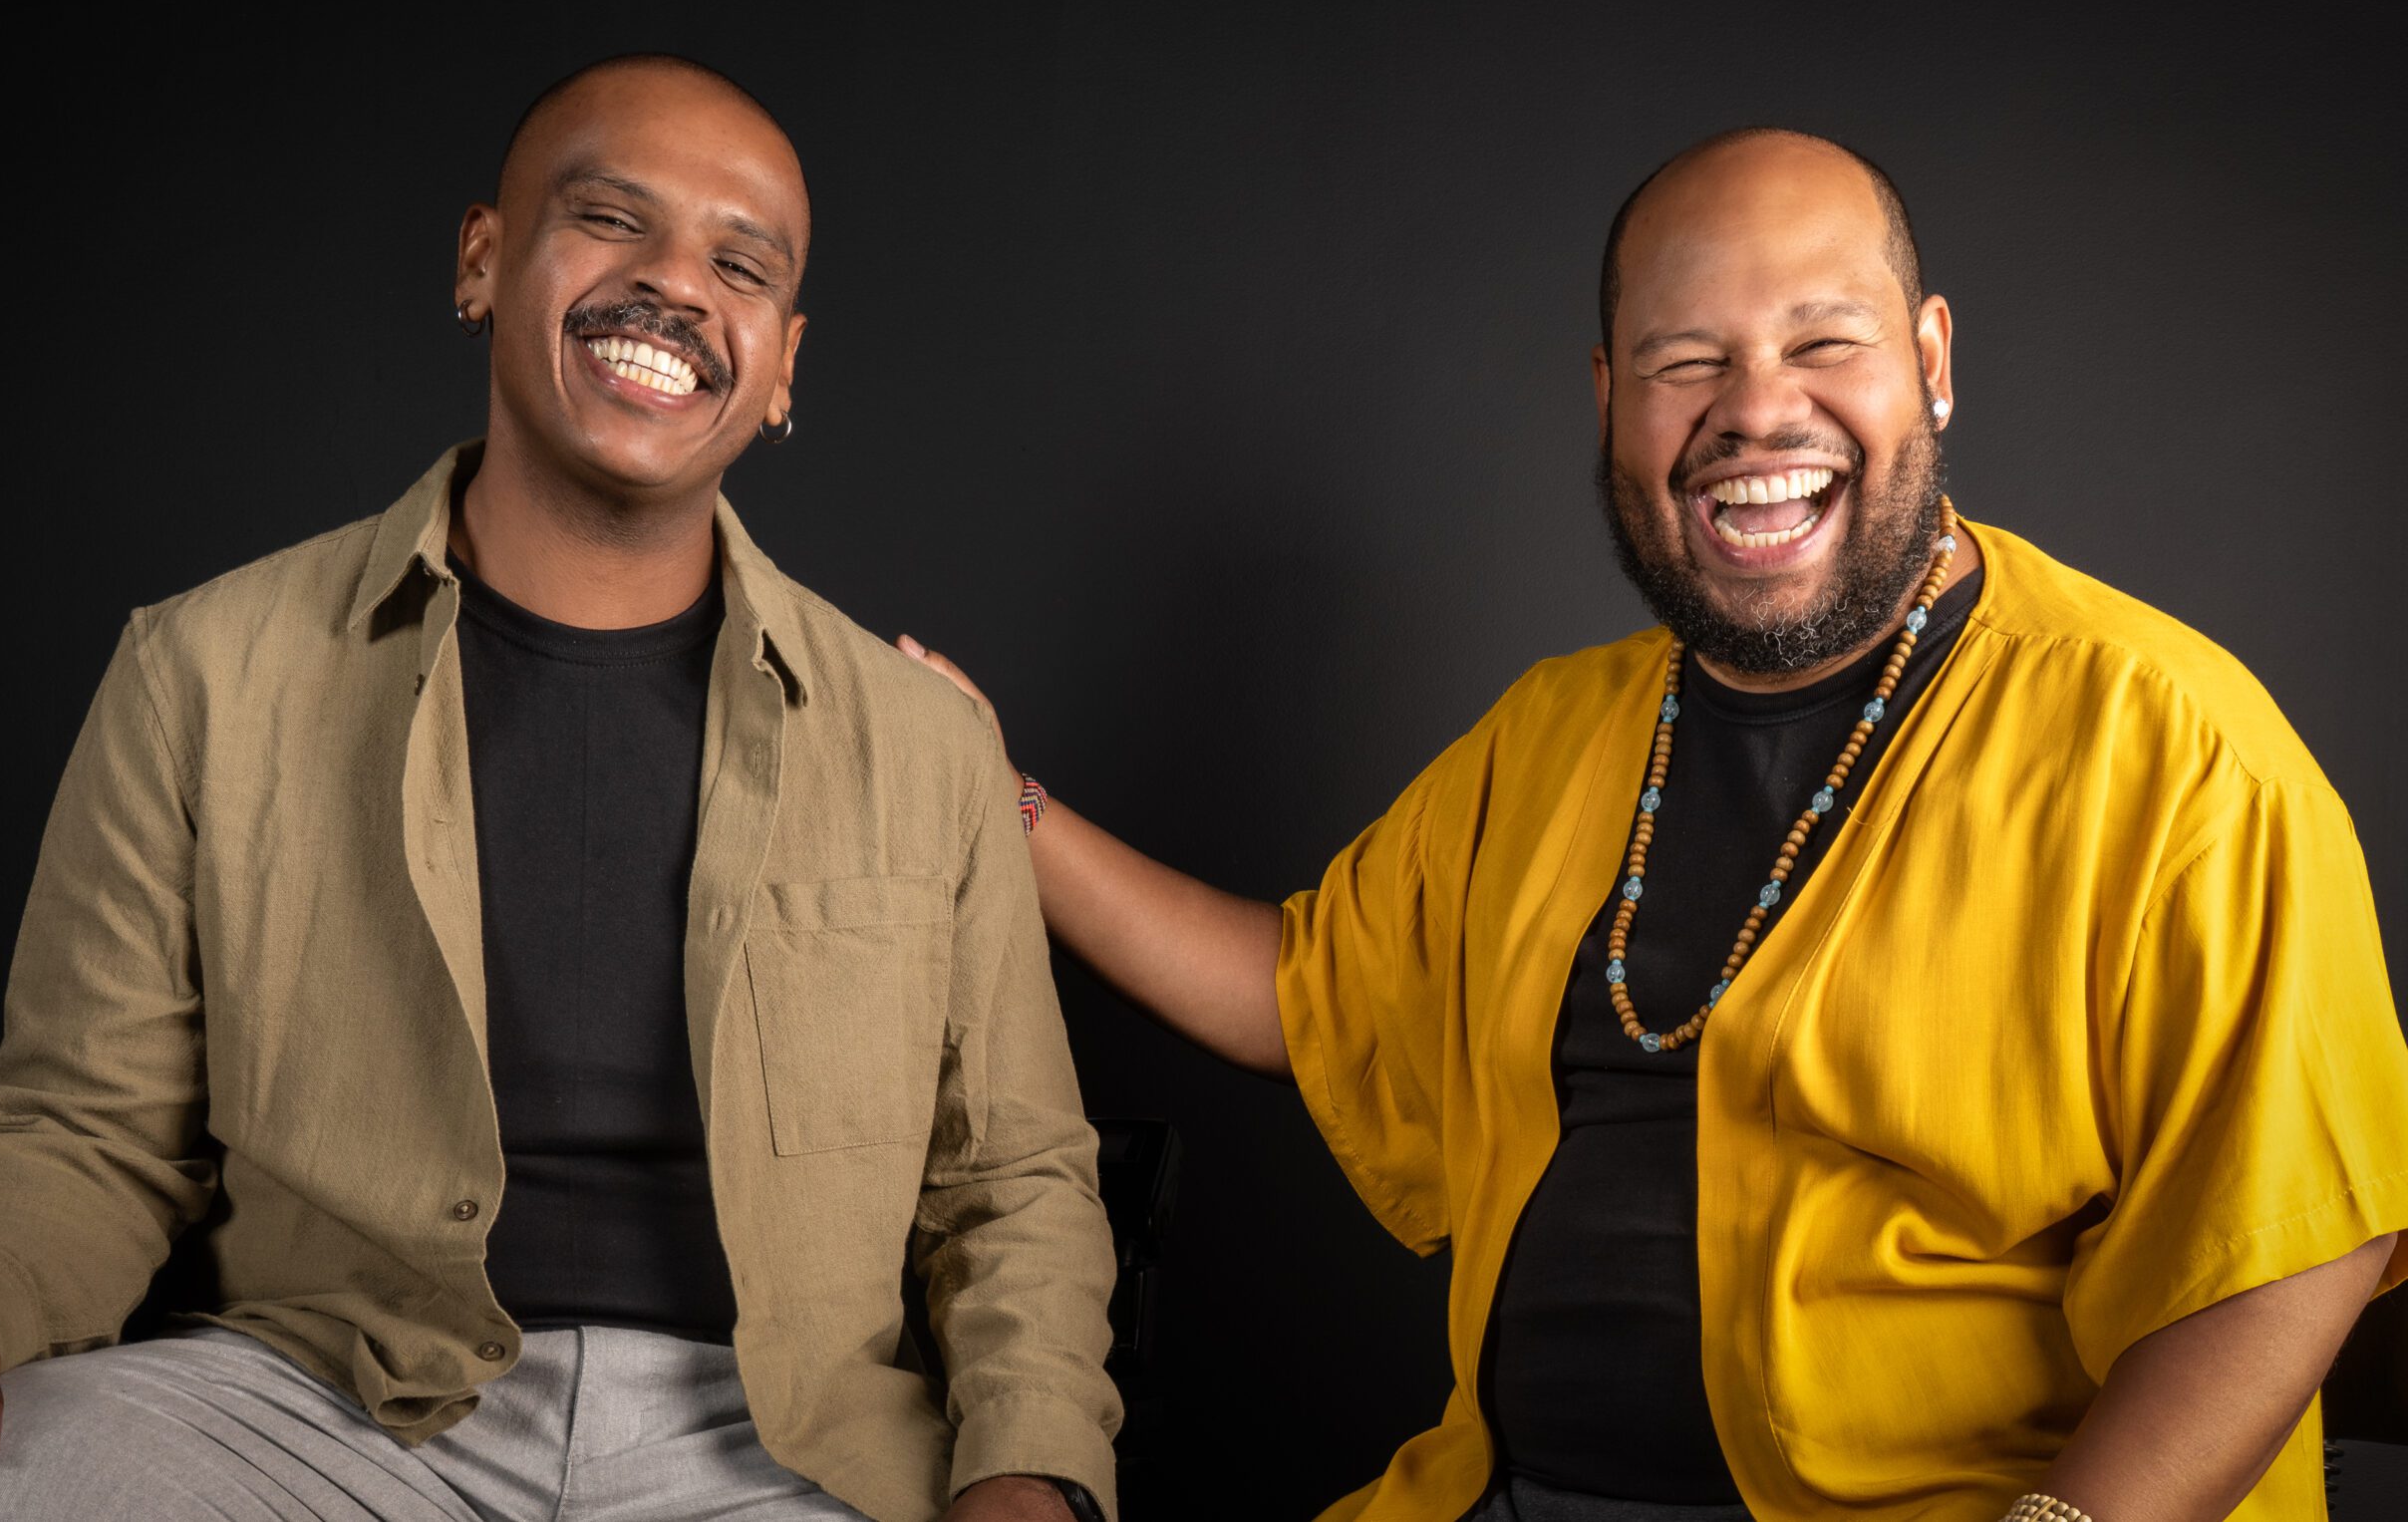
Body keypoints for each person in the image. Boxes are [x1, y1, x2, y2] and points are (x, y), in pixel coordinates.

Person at [901, 128, 2408, 1521]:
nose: (1755, 407)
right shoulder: (1558, 729)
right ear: (1611, 398)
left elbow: (2294, 1251)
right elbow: (1300, 989)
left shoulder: (2175, 748)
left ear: (1932, 362)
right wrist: (997, 800)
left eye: (1824, 341)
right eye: (1687, 360)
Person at [0, 55, 1118, 1522]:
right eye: (611, 219)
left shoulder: (925, 745)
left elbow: (1012, 1183)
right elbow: (86, 1124)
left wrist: (1029, 1470)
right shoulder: (199, 670)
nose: (674, 284)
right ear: (482, 261)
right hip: (320, 1413)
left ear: (782, 365)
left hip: (772, 1447)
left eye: (739, 266)